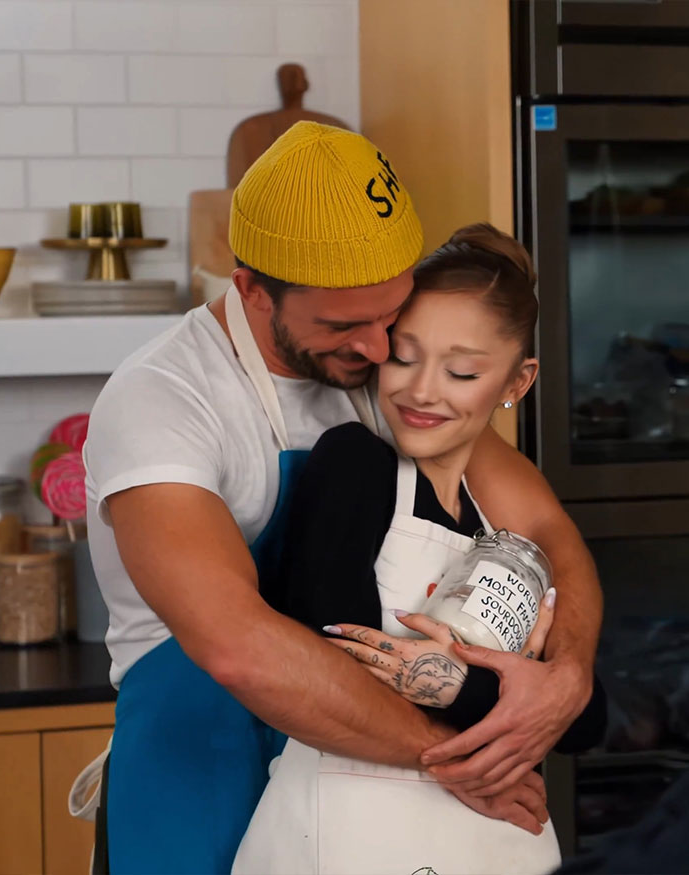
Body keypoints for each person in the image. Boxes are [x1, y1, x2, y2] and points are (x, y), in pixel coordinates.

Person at [84, 121, 602, 874]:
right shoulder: (163, 399)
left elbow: (547, 534)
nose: (376, 349)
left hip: (360, 790)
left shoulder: (391, 381)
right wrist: (455, 755)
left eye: (390, 315)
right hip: (197, 774)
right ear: (252, 290)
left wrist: (567, 680)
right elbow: (237, 647)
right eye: (343, 325)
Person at [232, 224, 606, 875]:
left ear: (517, 381)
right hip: (350, 833)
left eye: (462, 371)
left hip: (493, 842)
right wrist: (495, 693)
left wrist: (523, 690)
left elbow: (584, 720)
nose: (422, 390)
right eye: (403, 358)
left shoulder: (502, 532)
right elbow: (333, 655)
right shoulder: (354, 466)